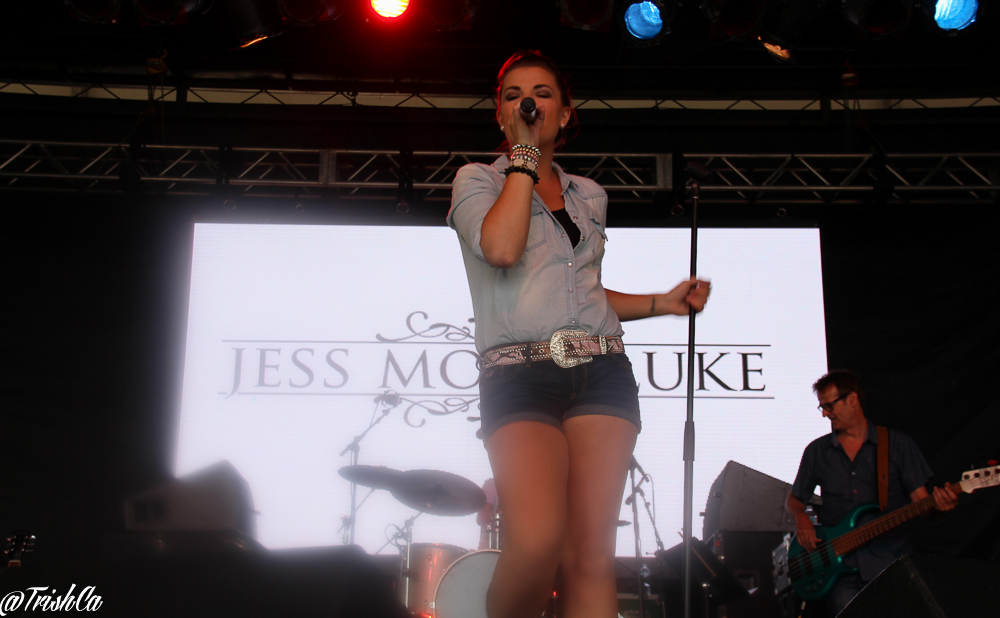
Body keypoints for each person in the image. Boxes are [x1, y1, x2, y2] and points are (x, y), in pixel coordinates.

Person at [447, 50, 710, 618]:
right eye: (515, 94)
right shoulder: (476, 180)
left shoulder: (590, 195)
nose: (528, 101)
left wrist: (662, 303)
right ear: (501, 114)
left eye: (542, 92)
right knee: (537, 542)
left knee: (590, 556)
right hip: (518, 376)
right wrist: (522, 158)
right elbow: (501, 249)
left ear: (565, 114)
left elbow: (582, 294)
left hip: (602, 371)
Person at [785, 370, 958, 617]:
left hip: (892, 565)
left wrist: (940, 504)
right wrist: (802, 519)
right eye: (821, 407)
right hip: (840, 572)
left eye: (829, 405)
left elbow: (922, 502)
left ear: (853, 399)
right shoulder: (817, 451)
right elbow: (794, 500)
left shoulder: (897, 445)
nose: (825, 413)